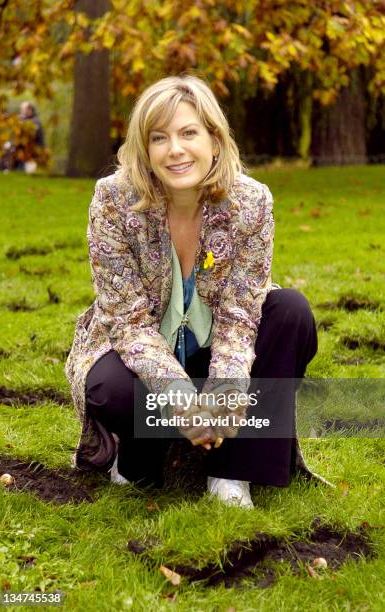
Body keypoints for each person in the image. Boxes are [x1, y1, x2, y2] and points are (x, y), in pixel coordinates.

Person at [65, 74, 325, 509]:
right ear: (144, 149)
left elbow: (242, 314)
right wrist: (181, 400)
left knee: (291, 311)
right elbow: (126, 321)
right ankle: (139, 457)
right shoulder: (111, 200)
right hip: (140, 359)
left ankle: (232, 472)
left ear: (215, 140)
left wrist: (222, 400)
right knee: (109, 390)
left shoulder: (252, 202)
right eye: (159, 137)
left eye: (189, 133)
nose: (176, 149)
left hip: (215, 350)